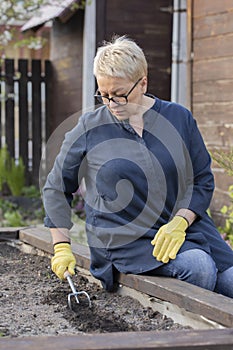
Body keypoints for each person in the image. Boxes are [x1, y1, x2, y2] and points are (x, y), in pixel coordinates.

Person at [43, 35, 233, 298]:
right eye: (104, 95)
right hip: (127, 239)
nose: (111, 104)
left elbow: (201, 180)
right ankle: (187, 338)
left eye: (120, 95)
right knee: (199, 268)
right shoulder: (89, 128)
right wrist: (61, 245)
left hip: (185, 229)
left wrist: (181, 220)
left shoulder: (179, 118)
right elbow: (56, 187)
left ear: (143, 82)